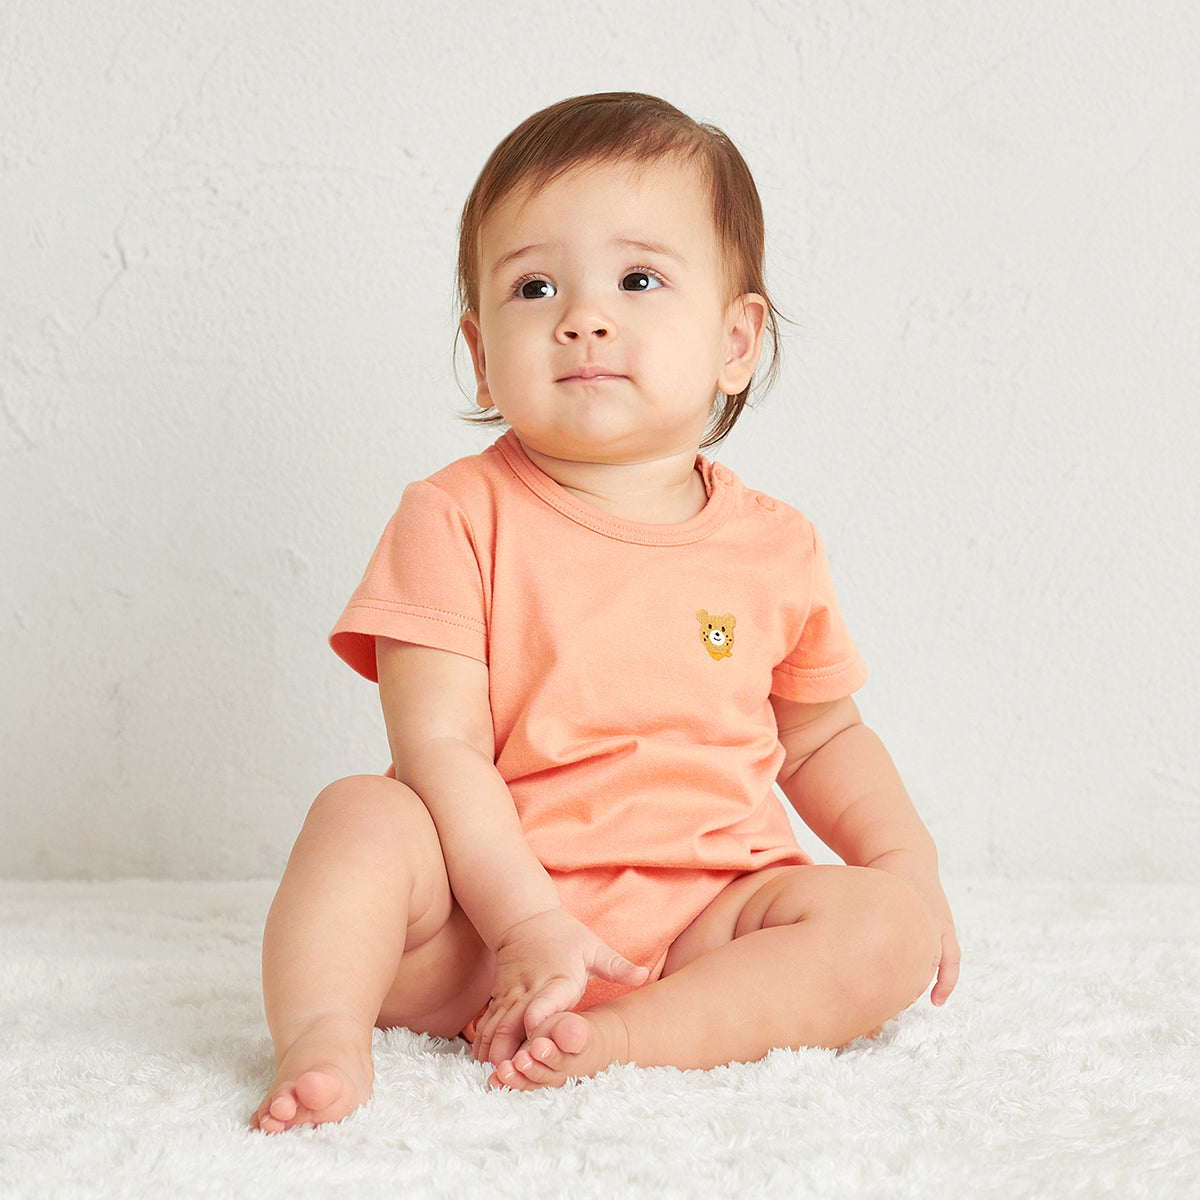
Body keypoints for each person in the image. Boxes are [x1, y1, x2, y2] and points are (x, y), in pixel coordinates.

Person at [251, 92, 960, 1135]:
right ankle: (322, 1035)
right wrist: (527, 923)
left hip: (705, 921)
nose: (583, 317)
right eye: (534, 287)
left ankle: (630, 1035)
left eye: (638, 280)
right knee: (361, 817)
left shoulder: (776, 545)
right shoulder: (453, 517)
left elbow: (822, 738)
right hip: (480, 927)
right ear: (481, 352)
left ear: (735, 342)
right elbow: (440, 750)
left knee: (884, 930)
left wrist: (907, 867)